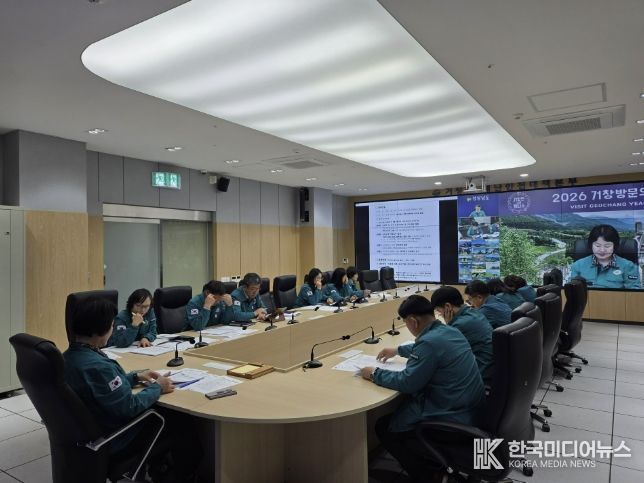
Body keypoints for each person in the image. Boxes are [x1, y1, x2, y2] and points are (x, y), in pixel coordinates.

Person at [63, 297, 203, 483]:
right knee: (181, 420)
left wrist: (135, 377)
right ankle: (184, 476)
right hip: (118, 437)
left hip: (91, 432)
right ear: (100, 329)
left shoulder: (69, 357)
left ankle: (159, 468)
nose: (112, 328)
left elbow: (102, 386)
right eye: (111, 325)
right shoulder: (97, 367)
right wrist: (158, 387)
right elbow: (129, 407)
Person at [360, 295, 484, 482]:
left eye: (406, 323)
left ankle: (428, 476)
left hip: (451, 419)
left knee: (384, 427)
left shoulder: (429, 343)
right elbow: (428, 348)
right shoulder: (450, 331)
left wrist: (375, 373)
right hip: (470, 411)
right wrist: (398, 350)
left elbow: (407, 382)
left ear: (413, 321)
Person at [431, 286, 494, 385]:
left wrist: (449, 325)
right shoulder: (474, 312)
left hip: (481, 376)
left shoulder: (459, 325)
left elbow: (434, 349)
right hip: (490, 370)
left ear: (447, 306)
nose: (440, 314)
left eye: (439, 311)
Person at [569, 224, 641, 289]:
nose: (602, 250)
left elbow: (634, 294)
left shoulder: (628, 267)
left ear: (615, 246)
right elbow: (572, 290)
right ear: (591, 245)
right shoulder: (578, 266)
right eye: (597, 246)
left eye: (607, 246)